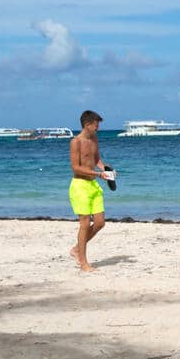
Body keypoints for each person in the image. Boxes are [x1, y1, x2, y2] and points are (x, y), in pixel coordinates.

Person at [68, 110, 111, 272]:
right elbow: (76, 167)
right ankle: (84, 263)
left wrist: (107, 169)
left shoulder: (94, 138)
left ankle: (76, 249)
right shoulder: (75, 142)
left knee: (100, 223)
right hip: (79, 186)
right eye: (95, 126)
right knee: (85, 224)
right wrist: (98, 174)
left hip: (93, 185)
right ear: (87, 125)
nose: (97, 129)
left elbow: (96, 159)